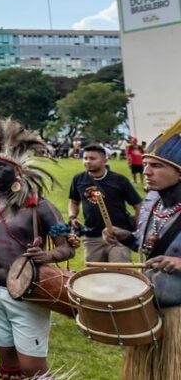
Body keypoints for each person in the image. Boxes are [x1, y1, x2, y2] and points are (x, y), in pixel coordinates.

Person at [0, 116, 74, 380]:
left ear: (17, 170)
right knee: (8, 364)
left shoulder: (40, 206)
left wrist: (46, 255)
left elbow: (67, 249)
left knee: (33, 368)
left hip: (27, 290)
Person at [99, 119, 181, 379]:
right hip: (148, 309)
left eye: (156, 166)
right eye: (145, 164)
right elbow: (149, 246)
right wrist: (128, 238)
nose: (146, 171)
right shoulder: (152, 203)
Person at [67, 142, 142, 263]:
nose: (87, 161)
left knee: (119, 271)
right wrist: (73, 217)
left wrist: (138, 230)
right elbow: (74, 202)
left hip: (117, 237)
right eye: (85, 158)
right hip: (92, 237)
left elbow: (138, 205)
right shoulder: (78, 179)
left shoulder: (119, 180)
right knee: (95, 273)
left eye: (92, 158)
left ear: (104, 160)